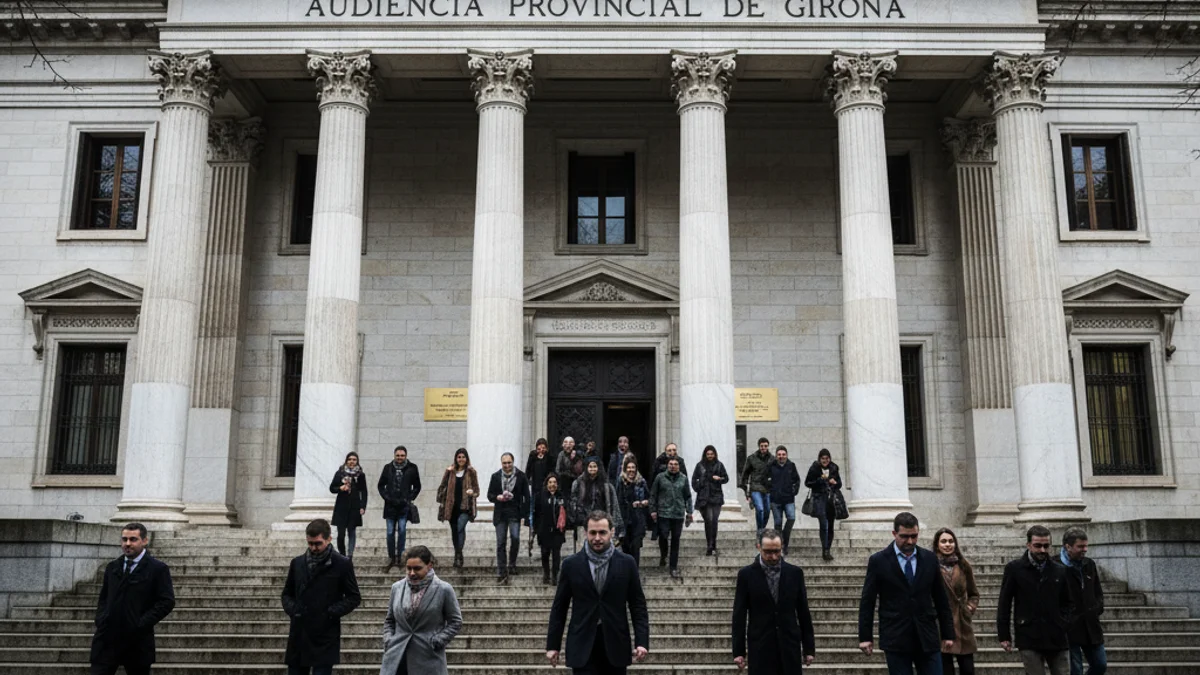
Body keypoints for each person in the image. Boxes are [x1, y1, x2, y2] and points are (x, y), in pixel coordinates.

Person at [546, 510, 650, 675]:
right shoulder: (571, 565)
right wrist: (553, 645)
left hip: (616, 643)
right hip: (582, 644)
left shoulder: (627, 563)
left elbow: (638, 605)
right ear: (585, 533)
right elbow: (560, 607)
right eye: (592, 532)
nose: (597, 538)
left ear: (612, 532)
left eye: (602, 532)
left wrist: (642, 641)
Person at [857, 511, 955, 675]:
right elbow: (868, 601)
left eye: (914, 536)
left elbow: (941, 599)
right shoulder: (879, 561)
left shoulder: (929, 559)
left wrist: (948, 633)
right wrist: (865, 637)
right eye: (904, 536)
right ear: (894, 534)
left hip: (927, 636)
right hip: (896, 637)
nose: (910, 541)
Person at [90, 523, 175, 675]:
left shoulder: (158, 568)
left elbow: (166, 601)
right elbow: (103, 598)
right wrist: (101, 619)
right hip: (107, 639)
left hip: (137, 640)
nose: (127, 544)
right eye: (124, 539)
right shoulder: (112, 567)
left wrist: (140, 623)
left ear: (144, 541)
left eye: (133, 539)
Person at [281, 518, 362, 675]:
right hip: (300, 632)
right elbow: (286, 594)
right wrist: (294, 610)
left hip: (325, 634)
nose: (313, 548)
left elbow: (354, 597)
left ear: (329, 539)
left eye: (317, 543)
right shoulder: (297, 563)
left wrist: (330, 612)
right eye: (310, 543)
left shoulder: (342, 564)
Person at [732, 528, 816, 674]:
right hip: (760, 645)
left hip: (789, 644)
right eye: (768, 552)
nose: (773, 556)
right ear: (758, 547)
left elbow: (803, 612)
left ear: (782, 546)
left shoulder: (795, 573)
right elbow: (739, 614)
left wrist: (809, 648)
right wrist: (738, 651)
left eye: (777, 551)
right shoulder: (746, 575)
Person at [998, 525, 1072, 675]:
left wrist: (1063, 622)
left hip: (1056, 635)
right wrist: (1004, 635)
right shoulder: (1014, 569)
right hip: (1029, 634)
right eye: (1038, 546)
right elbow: (1004, 603)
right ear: (1028, 545)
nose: (1042, 550)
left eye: (1046, 546)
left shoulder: (1060, 570)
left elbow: (1068, 602)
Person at [379, 545, 463, 675]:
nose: (412, 573)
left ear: (429, 565)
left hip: (428, 658)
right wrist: (389, 639)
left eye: (417, 568)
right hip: (396, 658)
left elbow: (456, 621)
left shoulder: (444, 589)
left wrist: (438, 640)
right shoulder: (397, 588)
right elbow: (390, 620)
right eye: (409, 568)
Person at [934, 528, 980, 675]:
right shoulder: (931, 566)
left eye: (951, 541)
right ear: (937, 545)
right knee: (946, 669)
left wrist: (969, 608)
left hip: (962, 623)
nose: (948, 544)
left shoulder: (963, 565)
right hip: (941, 624)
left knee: (967, 668)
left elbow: (974, 593)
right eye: (943, 541)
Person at [1060, 528, 1106, 675]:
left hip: (1091, 625)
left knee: (1100, 665)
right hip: (1069, 627)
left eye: (1086, 546)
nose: (1084, 550)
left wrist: (1097, 608)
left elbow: (1097, 591)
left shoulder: (1089, 564)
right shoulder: (1055, 566)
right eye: (1080, 546)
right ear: (1068, 546)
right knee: (1075, 670)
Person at [487, 452, 530, 584]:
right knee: (501, 543)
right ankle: (501, 570)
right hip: (500, 513)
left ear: (513, 462)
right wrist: (497, 497)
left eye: (509, 462)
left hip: (514, 513)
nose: (507, 465)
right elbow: (489, 495)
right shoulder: (495, 476)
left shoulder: (521, 476)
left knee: (515, 538)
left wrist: (524, 514)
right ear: (501, 463)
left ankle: (512, 563)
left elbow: (526, 497)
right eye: (504, 463)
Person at [378, 446, 422, 572]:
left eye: (402, 455)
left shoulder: (412, 468)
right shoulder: (388, 468)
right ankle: (392, 557)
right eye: (398, 455)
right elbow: (381, 485)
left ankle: (401, 557)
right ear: (394, 455)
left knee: (402, 530)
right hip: (390, 506)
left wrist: (409, 498)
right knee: (390, 532)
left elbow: (417, 486)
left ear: (406, 456)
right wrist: (387, 497)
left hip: (403, 506)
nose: (400, 458)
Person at [649, 456, 694, 579]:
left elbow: (688, 496)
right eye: (671, 464)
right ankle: (664, 554)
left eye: (675, 464)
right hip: (663, 513)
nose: (673, 466)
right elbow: (653, 494)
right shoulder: (660, 478)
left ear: (679, 466)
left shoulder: (683, 479)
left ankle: (673, 567)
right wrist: (653, 510)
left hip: (678, 514)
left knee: (675, 540)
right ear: (667, 465)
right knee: (663, 536)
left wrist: (689, 512)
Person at [435, 448, 478, 569]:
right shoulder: (450, 471)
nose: (461, 459)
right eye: (459, 457)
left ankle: (458, 554)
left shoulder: (471, 472)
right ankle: (457, 554)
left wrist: (472, 492)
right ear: (456, 458)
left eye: (463, 457)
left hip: (465, 507)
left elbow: (477, 490)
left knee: (460, 527)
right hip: (451, 506)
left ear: (467, 458)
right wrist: (444, 495)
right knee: (455, 531)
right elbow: (442, 487)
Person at [804, 449, 843, 561]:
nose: (825, 461)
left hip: (831, 500)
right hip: (819, 499)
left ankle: (828, 549)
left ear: (829, 459)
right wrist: (820, 480)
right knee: (824, 524)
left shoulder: (834, 468)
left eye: (827, 458)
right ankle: (825, 549)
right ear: (819, 459)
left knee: (830, 526)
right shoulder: (814, 468)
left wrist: (835, 483)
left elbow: (839, 484)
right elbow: (807, 483)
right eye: (823, 458)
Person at [690, 444, 729, 556]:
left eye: (712, 454)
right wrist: (699, 488)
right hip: (704, 497)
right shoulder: (700, 465)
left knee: (714, 521)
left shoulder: (719, 465)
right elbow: (693, 480)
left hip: (716, 497)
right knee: (709, 520)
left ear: (715, 454)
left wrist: (719, 479)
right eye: (708, 454)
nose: (710, 456)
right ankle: (710, 544)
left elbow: (726, 478)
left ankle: (713, 544)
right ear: (705, 455)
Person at [570, 456, 623, 535]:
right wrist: (577, 516)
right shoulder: (578, 483)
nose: (592, 469)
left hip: (602, 521)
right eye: (590, 466)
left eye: (595, 466)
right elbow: (573, 501)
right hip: (584, 522)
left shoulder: (607, 485)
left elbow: (614, 505)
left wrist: (616, 524)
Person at [329, 451, 368, 558]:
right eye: (350, 459)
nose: (352, 462)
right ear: (346, 461)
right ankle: (342, 554)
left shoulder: (360, 475)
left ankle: (350, 555)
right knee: (341, 534)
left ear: (357, 462)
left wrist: (363, 506)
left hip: (354, 507)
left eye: (354, 460)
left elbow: (363, 491)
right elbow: (332, 488)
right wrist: (340, 488)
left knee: (352, 532)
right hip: (341, 507)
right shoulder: (340, 473)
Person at [533, 474, 569, 585]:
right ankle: (546, 574)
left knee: (556, 554)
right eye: (550, 482)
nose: (552, 485)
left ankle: (555, 576)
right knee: (545, 553)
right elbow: (536, 513)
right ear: (546, 484)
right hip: (544, 530)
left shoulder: (561, 496)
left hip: (557, 531)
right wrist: (536, 528)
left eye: (554, 482)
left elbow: (566, 511)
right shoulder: (540, 496)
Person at [615, 456, 650, 565]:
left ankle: (634, 572)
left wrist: (644, 502)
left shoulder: (641, 482)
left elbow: (649, 498)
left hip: (638, 520)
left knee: (636, 547)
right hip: (625, 520)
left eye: (633, 467)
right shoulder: (621, 482)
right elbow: (618, 501)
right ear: (625, 469)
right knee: (626, 548)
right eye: (629, 467)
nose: (631, 470)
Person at [767, 446, 802, 556]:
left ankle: (785, 543)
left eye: (783, 454)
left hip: (788, 499)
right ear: (776, 455)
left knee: (791, 518)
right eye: (779, 454)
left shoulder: (791, 466)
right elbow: (765, 480)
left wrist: (794, 491)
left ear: (786, 455)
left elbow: (797, 480)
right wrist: (770, 490)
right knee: (778, 524)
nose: (781, 456)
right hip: (775, 499)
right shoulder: (771, 466)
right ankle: (780, 546)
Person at [740, 438, 773, 538]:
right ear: (759, 446)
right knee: (760, 509)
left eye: (765, 446)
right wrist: (746, 492)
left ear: (768, 446)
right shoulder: (751, 458)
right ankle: (760, 531)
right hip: (755, 488)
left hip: (767, 489)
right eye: (762, 446)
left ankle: (762, 529)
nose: (763, 448)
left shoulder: (772, 459)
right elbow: (745, 474)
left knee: (767, 510)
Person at [555, 438, 585, 548]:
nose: (568, 445)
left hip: (576, 484)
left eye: (571, 442)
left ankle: (575, 528)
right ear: (563, 445)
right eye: (566, 442)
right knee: (565, 506)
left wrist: (574, 459)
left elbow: (581, 469)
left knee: (576, 505)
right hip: (564, 485)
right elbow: (558, 471)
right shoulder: (561, 455)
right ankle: (564, 527)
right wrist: (568, 474)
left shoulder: (577, 455)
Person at [648, 442, 680, 542]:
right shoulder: (659, 461)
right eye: (669, 450)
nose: (672, 452)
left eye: (674, 450)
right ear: (665, 451)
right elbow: (653, 477)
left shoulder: (680, 461)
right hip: (662, 496)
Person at [526, 438, 556, 524]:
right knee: (534, 507)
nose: (541, 450)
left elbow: (552, 469)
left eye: (543, 448)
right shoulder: (533, 457)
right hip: (535, 486)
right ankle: (533, 525)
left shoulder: (549, 457)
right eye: (539, 448)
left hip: (546, 486)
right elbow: (528, 470)